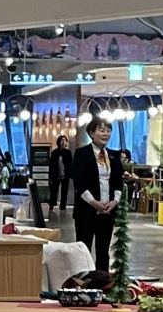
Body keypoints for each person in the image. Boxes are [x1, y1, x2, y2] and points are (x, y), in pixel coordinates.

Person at [71, 116, 126, 286]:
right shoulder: (82, 154)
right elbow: (79, 183)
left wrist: (114, 201)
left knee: (103, 251)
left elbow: (118, 182)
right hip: (86, 210)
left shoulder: (114, 155)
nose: (106, 134)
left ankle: (102, 285)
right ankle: (82, 284)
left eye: (108, 130)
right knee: (84, 250)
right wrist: (94, 203)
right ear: (91, 133)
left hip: (107, 212)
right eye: (102, 130)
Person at [47, 132, 72, 211]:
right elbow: (51, 165)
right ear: (58, 142)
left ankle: (62, 206)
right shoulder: (54, 153)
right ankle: (52, 204)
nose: (63, 142)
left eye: (65, 140)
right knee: (54, 190)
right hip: (56, 175)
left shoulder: (68, 153)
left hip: (65, 175)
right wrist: (50, 176)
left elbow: (70, 164)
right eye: (62, 140)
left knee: (64, 191)